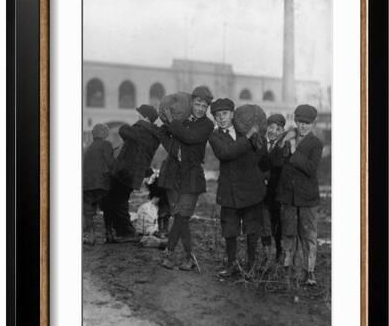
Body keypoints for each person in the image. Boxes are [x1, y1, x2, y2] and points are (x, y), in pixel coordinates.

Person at [157, 85, 214, 271]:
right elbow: (164, 134)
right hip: (173, 174)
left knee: (182, 216)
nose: (200, 109)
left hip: (191, 176)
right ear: (192, 103)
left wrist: (173, 122)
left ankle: (169, 253)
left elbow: (189, 138)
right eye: (197, 104)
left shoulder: (207, 125)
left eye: (204, 106)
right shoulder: (183, 120)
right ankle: (189, 258)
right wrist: (175, 149)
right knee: (180, 217)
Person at [208, 98, 266, 278]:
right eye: (217, 116)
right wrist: (249, 137)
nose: (221, 118)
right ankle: (232, 264)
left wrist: (257, 138)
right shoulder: (215, 136)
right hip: (229, 190)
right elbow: (225, 153)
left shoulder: (245, 129)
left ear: (233, 114)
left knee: (252, 228)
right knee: (230, 229)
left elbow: (260, 155)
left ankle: (251, 265)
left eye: (224, 114)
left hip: (251, 189)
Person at [276, 104, 323, 287]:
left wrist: (294, 149)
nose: (303, 126)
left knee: (308, 234)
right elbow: (277, 161)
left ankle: (309, 271)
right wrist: (283, 143)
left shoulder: (316, 143)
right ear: (295, 121)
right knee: (288, 232)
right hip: (288, 196)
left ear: (313, 124)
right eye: (300, 122)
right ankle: (288, 267)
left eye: (307, 123)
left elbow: (311, 169)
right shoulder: (288, 137)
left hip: (308, 197)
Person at [103, 104, 160, 241]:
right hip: (133, 174)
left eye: (140, 114)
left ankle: (126, 232)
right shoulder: (152, 135)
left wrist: (141, 123)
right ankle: (121, 230)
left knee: (117, 202)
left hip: (125, 172)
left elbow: (123, 130)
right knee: (118, 201)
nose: (138, 116)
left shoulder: (142, 131)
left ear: (145, 118)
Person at [259, 113, 287, 264]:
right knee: (263, 223)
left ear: (282, 131)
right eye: (271, 127)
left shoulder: (284, 146)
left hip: (276, 192)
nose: (273, 131)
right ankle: (266, 254)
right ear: (266, 127)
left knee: (277, 223)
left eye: (278, 129)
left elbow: (280, 166)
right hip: (261, 192)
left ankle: (278, 254)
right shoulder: (260, 143)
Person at [82, 123, 114, 244]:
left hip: (86, 185)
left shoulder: (87, 148)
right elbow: (111, 163)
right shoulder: (106, 144)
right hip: (102, 183)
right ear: (103, 134)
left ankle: (90, 236)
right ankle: (109, 233)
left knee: (88, 211)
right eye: (106, 131)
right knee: (108, 208)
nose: (107, 134)